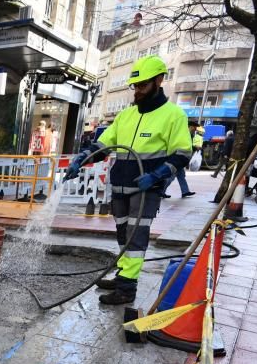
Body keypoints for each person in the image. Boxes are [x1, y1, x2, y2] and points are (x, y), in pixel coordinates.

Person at [64, 55, 192, 305]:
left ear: (158, 80)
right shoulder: (126, 116)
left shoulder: (173, 115)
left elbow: (182, 154)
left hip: (146, 189)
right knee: (123, 234)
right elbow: (103, 145)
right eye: (136, 86)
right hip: (121, 186)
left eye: (143, 85)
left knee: (135, 238)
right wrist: (81, 159)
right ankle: (123, 275)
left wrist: (157, 175)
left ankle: (126, 289)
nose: (138, 91)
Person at [162, 121, 200, 198]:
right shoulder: (184, 134)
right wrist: (195, 147)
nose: (195, 130)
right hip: (178, 158)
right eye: (194, 127)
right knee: (171, 177)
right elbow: (183, 146)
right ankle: (161, 191)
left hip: (181, 159)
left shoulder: (188, 134)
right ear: (190, 126)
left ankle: (185, 191)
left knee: (181, 176)